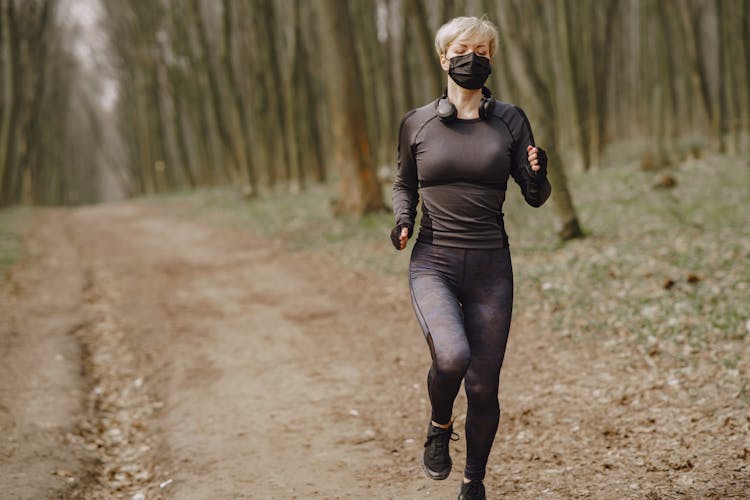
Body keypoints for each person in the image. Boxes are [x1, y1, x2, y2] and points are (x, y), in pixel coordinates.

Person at [390, 16, 551, 500]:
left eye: (483, 51)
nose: (473, 57)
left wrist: (541, 171)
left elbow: (535, 195)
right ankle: (440, 426)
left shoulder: (510, 119)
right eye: (463, 49)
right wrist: (403, 220)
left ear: (491, 60)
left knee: (483, 387)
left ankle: (473, 482)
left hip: (490, 268)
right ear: (444, 58)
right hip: (433, 262)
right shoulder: (417, 122)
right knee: (453, 354)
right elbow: (404, 182)